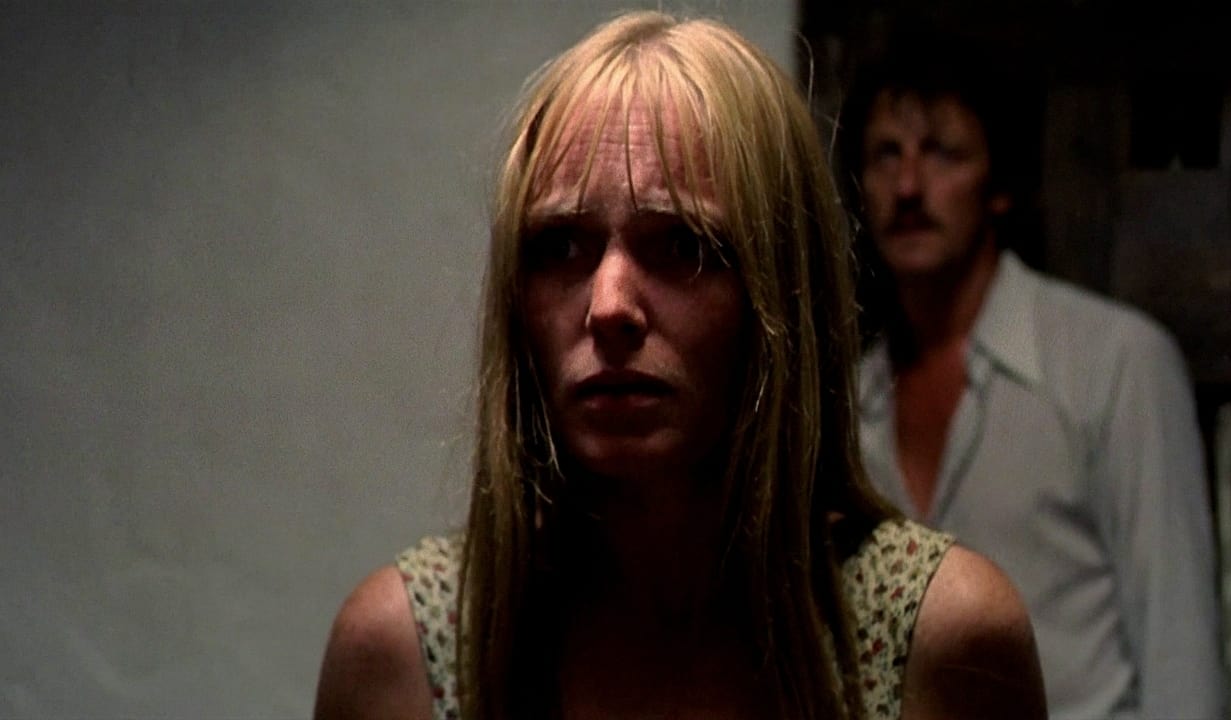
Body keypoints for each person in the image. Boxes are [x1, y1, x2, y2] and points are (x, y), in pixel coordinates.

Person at [314, 11, 1046, 720]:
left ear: (781, 290)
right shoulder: (411, 650)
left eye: (683, 246)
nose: (608, 306)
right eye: (560, 248)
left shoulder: (932, 638)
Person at [841, 36, 1224, 719]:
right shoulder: (852, 394)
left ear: (998, 185)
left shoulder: (1116, 361)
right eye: (886, 155)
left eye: (943, 154)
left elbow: (1181, 653)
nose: (908, 187)